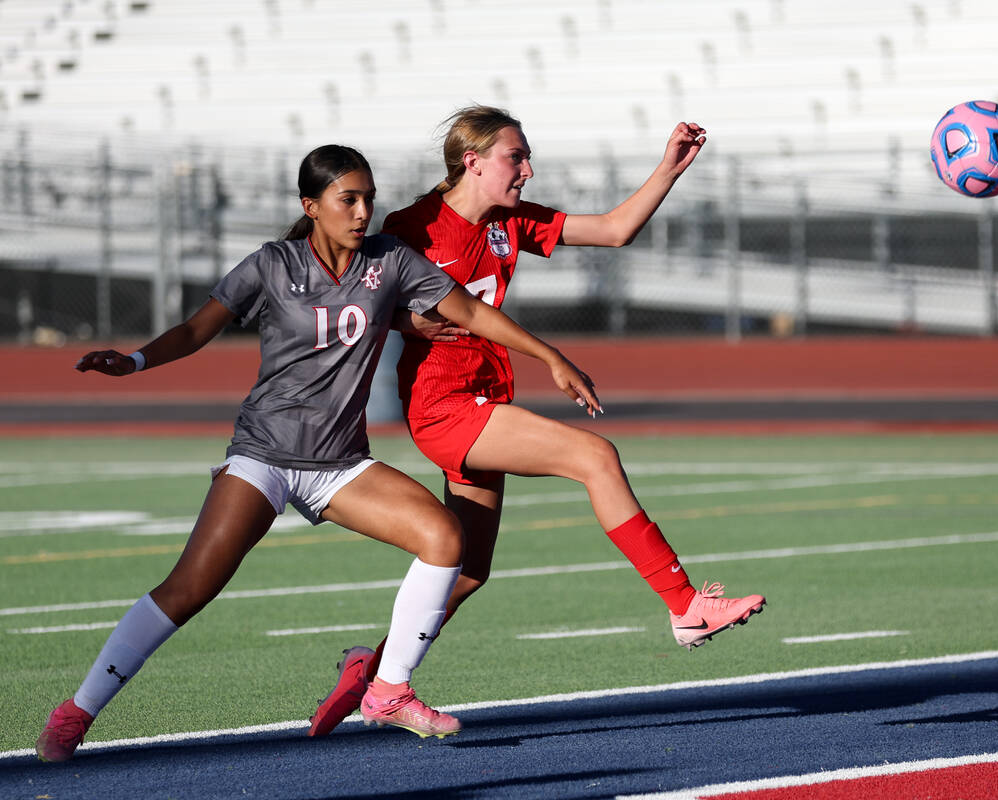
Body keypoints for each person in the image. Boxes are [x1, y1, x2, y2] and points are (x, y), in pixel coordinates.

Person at [35, 143, 601, 762]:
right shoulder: (273, 264)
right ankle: (76, 713)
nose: (363, 213)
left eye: (369, 199)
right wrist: (136, 360)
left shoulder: (390, 260)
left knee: (445, 538)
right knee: (191, 586)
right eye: (347, 199)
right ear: (311, 206)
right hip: (265, 456)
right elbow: (200, 327)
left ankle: (388, 689)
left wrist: (550, 356)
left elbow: (468, 310)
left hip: (339, 465)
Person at [306, 107, 765, 738]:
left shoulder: (509, 222)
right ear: (472, 162)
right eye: (515, 157)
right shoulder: (411, 226)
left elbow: (613, 229)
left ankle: (375, 674)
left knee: (466, 570)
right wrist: (406, 322)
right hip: (443, 405)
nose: (527, 168)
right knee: (595, 456)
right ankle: (685, 606)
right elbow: (352, 300)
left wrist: (668, 169)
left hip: (483, 397)